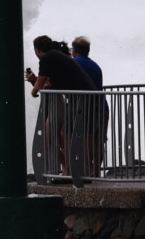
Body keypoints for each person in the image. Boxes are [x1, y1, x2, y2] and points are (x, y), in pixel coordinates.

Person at [26, 35, 96, 175]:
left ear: (38, 50)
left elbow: (40, 86)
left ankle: (71, 169)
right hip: (83, 98)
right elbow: (50, 86)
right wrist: (35, 81)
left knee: (52, 138)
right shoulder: (56, 57)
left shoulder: (47, 59)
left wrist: (33, 90)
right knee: (61, 137)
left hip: (79, 100)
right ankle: (73, 169)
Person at [71, 36, 108, 175]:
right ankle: (96, 171)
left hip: (86, 107)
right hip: (102, 105)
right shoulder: (95, 65)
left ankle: (87, 170)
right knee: (98, 140)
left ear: (74, 50)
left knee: (86, 138)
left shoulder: (74, 63)